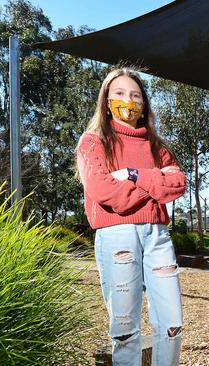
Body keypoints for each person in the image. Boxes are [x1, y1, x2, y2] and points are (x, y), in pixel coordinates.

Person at [76, 67, 187, 366]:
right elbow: (105, 191)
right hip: (117, 236)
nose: (129, 100)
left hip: (157, 237)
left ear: (145, 103)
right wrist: (154, 185)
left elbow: (178, 183)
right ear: (106, 100)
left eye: (136, 95)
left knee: (172, 325)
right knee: (125, 330)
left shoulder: (157, 146)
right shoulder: (92, 142)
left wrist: (132, 174)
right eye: (120, 94)